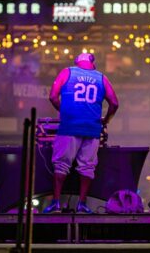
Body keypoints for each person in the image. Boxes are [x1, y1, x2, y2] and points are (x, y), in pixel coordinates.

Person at [43, 53, 119, 214]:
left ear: (77, 63)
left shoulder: (67, 72)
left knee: (61, 165)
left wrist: (64, 111)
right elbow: (114, 103)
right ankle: (82, 205)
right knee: (87, 167)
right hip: (92, 129)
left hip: (69, 127)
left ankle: (56, 203)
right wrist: (105, 121)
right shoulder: (102, 78)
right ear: (93, 64)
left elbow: (52, 96)